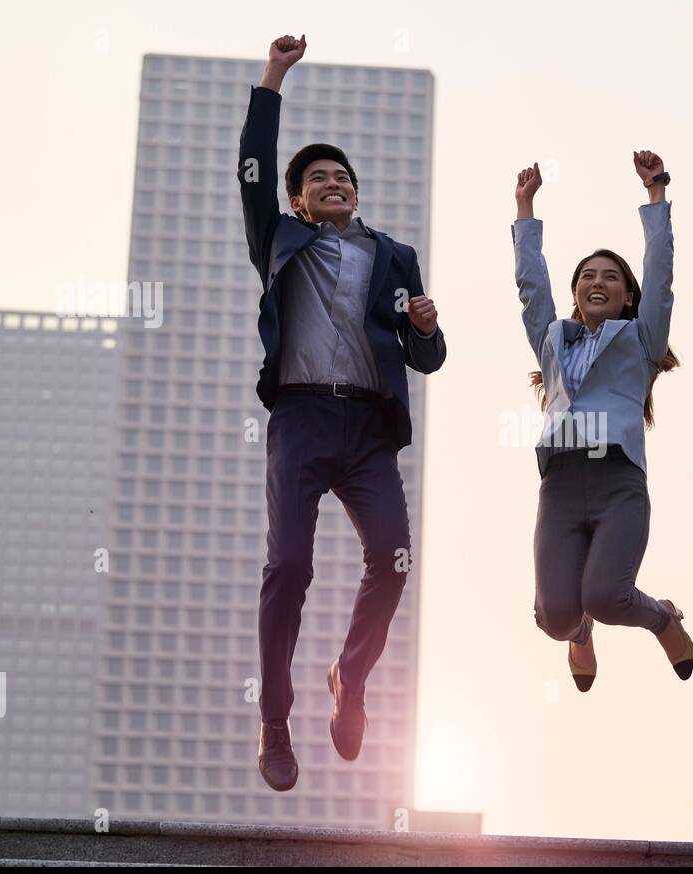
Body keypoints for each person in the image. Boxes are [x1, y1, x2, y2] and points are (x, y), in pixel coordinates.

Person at [239, 35, 447, 788]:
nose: (333, 182)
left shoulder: (393, 255)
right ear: (296, 199)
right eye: (317, 177)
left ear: (356, 193)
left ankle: (349, 678)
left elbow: (427, 358)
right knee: (288, 565)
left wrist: (424, 328)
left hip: (366, 430)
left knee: (393, 561)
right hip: (300, 421)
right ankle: (274, 720)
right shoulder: (279, 239)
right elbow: (254, 166)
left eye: (342, 176)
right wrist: (273, 77)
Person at [511, 152, 692, 693]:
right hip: (561, 485)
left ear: (626, 296)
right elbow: (529, 288)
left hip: (618, 484)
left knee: (607, 596)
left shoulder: (641, 341)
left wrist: (656, 195)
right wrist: (525, 207)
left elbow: (660, 279)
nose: (597, 281)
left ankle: (663, 618)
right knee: (556, 617)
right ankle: (579, 633)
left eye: (610, 277)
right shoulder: (552, 342)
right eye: (587, 276)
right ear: (574, 294)